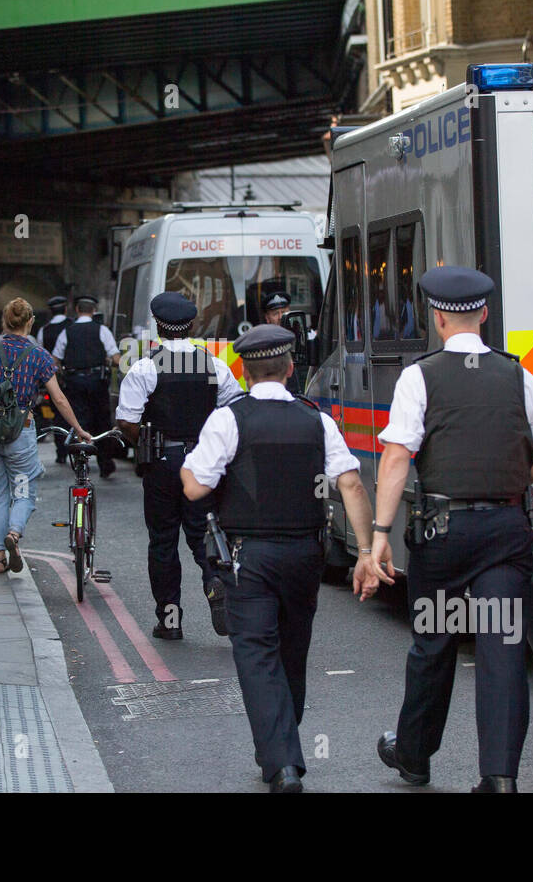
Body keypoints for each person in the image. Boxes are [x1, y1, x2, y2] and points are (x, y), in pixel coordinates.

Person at [358, 266, 533, 794]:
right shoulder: (520, 376)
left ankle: (414, 757)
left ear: (437, 318)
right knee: (503, 647)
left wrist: (379, 535)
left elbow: (397, 456)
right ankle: (500, 777)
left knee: (433, 643)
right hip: (508, 535)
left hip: (444, 536)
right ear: (484, 315)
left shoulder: (420, 376)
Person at [181, 324, 376, 793]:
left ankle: (283, 762)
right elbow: (349, 483)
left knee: (256, 653)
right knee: (292, 649)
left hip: (250, 556)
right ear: (291, 370)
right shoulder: (317, 419)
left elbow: (195, 488)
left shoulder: (229, 419)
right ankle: (279, 743)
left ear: (244, 372)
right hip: (306, 554)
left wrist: (189, 464)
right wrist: (367, 551)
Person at [116, 292, 240, 640]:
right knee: (204, 534)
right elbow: (235, 410)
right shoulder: (214, 365)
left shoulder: (144, 367)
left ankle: (169, 620)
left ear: (158, 326)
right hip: (204, 460)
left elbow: (126, 421)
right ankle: (215, 580)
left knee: (163, 542)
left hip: (162, 462)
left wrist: (144, 441)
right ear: (193, 325)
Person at [0, 298, 90, 575]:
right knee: (23, 492)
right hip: (20, 433)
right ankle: (14, 535)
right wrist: (78, 429)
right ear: (30, 322)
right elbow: (59, 399)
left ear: (5, 321)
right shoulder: (38, 355)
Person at [52, 295, 121, 478]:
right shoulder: (102, 330)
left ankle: (81, 463)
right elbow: (115, 357)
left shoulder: (67, 332)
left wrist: (61, 373)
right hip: (97, 382)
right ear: (93, 311)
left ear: (77, 310)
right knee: (101, 421)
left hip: (74, 382)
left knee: (79, 422)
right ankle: (105, 463)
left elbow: (55, 360)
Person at [36, 296, 72, 464]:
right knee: (75, 411)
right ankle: (75, 447)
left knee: (57, 414)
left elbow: (41, 353)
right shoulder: (73, 326)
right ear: (65, 309)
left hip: (53, 377)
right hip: (73, 375)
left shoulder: (44, 330)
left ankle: (61, 451)